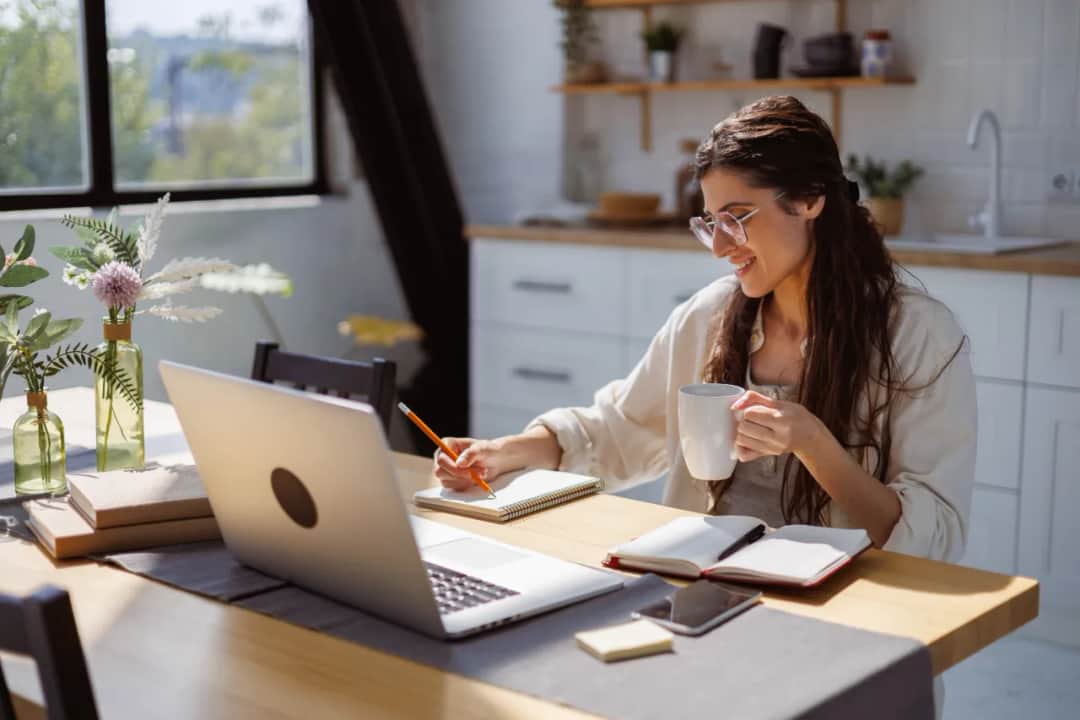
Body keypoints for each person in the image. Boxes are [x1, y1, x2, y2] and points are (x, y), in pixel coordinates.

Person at [434, 95, 975, 563]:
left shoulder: (917, 335)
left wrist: (813, 443)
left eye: (737, 217)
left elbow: (935, 539)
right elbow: (619, 429)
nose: (719, 246)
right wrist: (505, 452)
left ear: (810, 199)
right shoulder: (708, 316)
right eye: (712, 222)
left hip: (846, 607)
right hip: (702, 586)